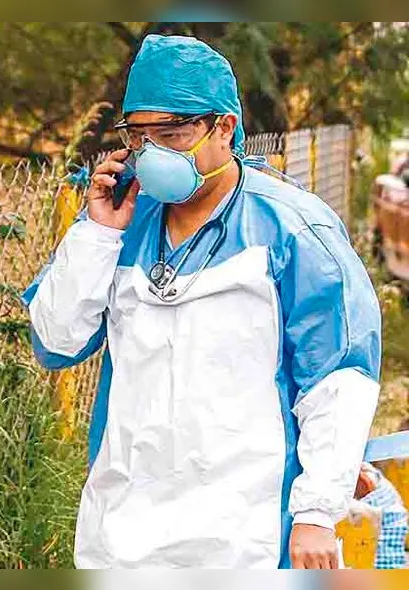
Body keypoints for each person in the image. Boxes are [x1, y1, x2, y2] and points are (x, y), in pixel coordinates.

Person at [22, 34, 382, 569]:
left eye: (172, 133)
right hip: (122, 531)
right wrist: (98, 232)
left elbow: (337, 380)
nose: (154, 151)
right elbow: (56, 342)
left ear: (224, 127)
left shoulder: (294, 230)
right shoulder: (119, 223)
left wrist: (315, 513)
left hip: (244, 534)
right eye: (139, 136)